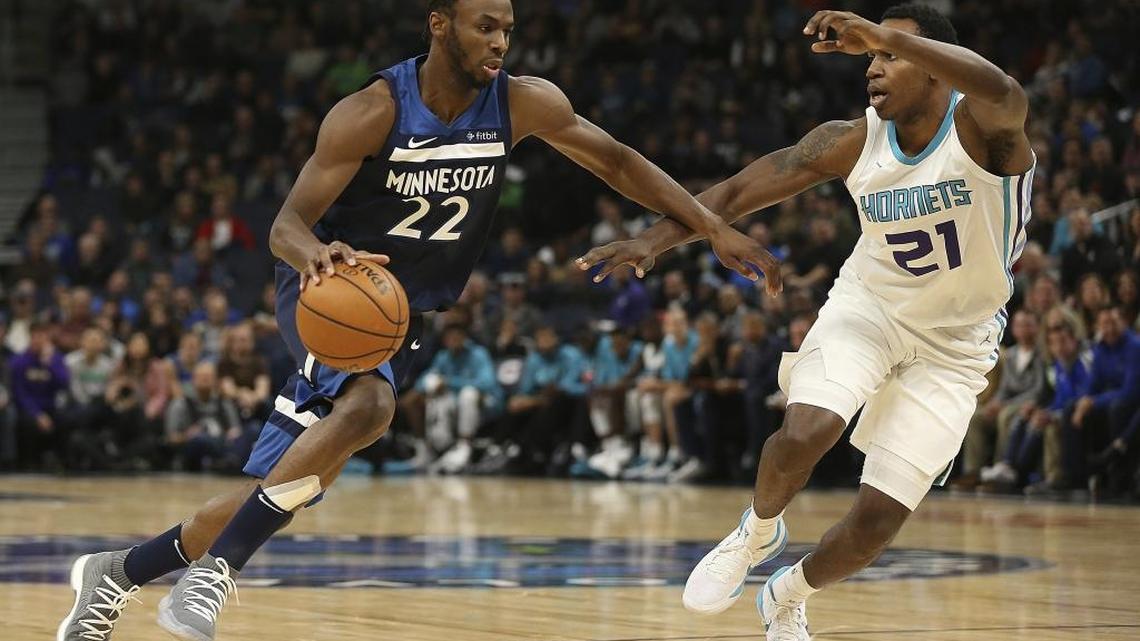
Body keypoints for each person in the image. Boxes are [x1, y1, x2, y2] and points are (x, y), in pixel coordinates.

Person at [56, 2, 779, 640]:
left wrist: (710, 225)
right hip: (334, 290)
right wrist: (316, 253)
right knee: (370, 406)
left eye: (508, 29)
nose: (500, 42)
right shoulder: (373, 110)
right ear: (440, 25)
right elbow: (286, 225)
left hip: (407, 312)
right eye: (484, 26)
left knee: (291, 483)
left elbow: (616, 161)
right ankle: (215, 573)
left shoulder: (523, 103)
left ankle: (119, 572)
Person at [580, 4, 1036, 638]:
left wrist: (880, 31)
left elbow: (1003, 88)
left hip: (957, 345)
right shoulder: (853, 139)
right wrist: (652, 242)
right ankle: (757, 532)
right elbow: (736, 193)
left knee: (876, 523)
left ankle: (788, 593)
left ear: (937, 72)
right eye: (873, 56)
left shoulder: (985, 131)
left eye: (892, 56)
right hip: (870, 309)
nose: (873, 67)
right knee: (808, 429)